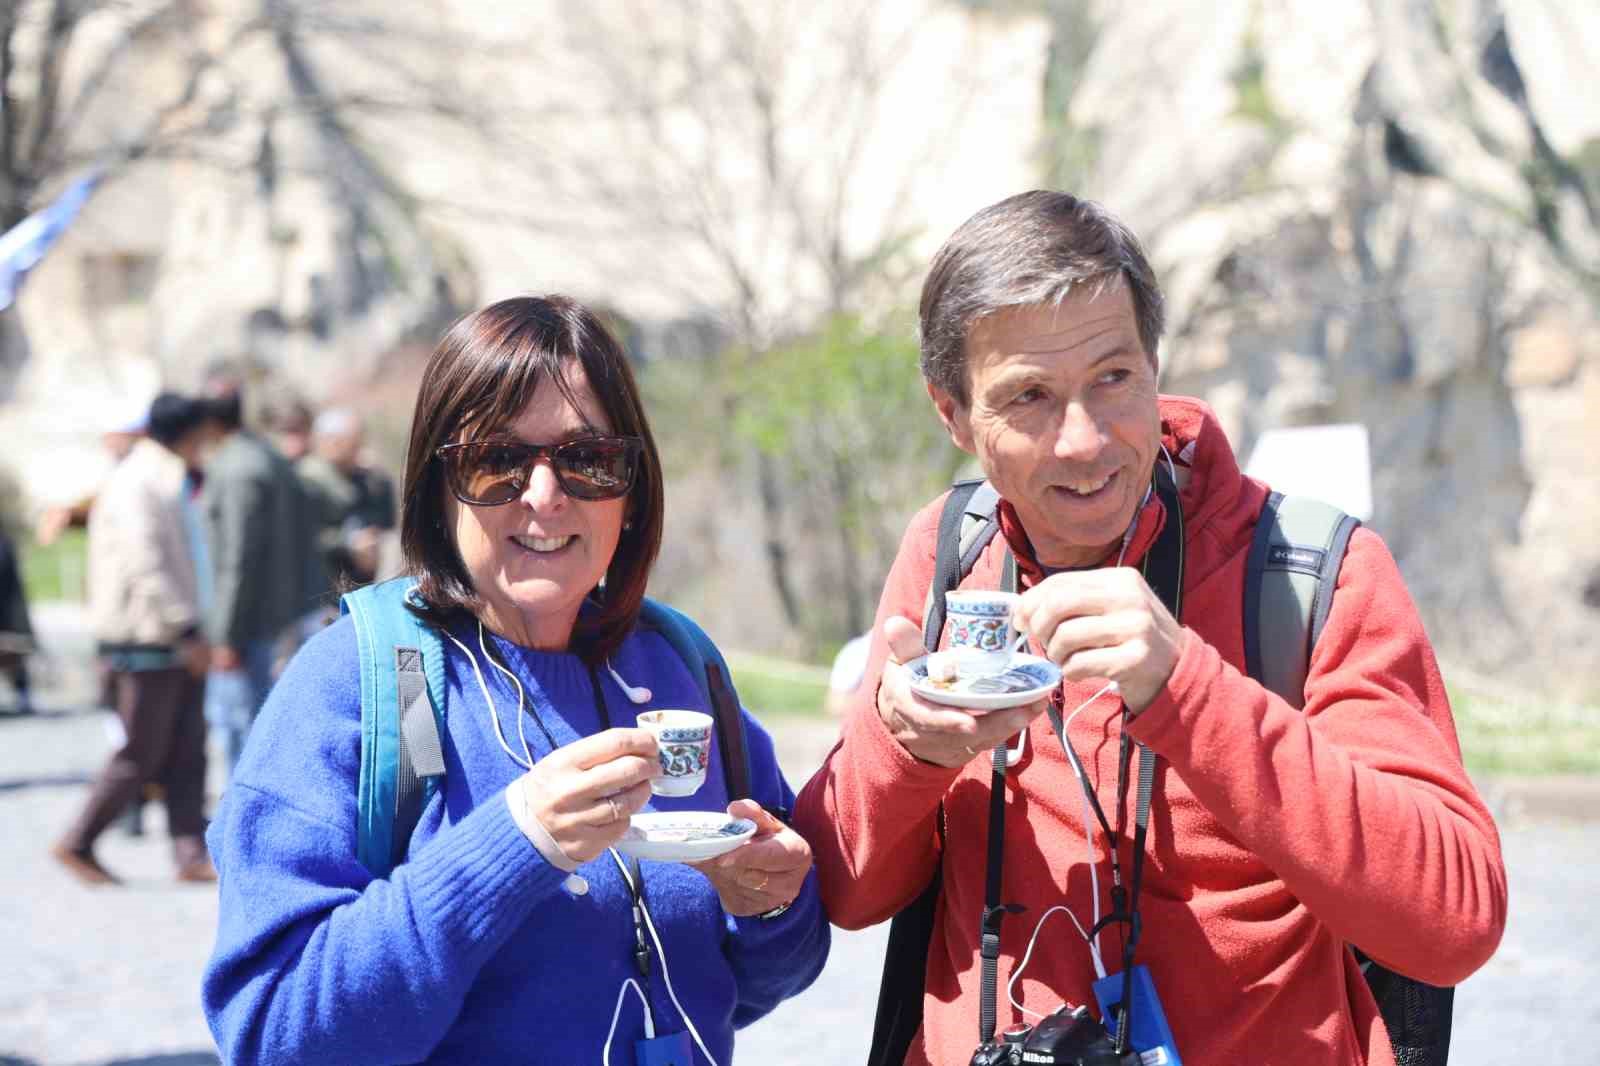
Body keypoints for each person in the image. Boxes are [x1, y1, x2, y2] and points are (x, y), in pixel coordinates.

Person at [792, 192, 1507, 1066]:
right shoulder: (949, 555)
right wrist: (904, 750)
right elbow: (847, 890)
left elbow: (1455, 921)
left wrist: (1188, 689)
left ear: (1155, 363)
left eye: (1113, 378)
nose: (1085, 440)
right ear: (954, 416)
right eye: (1029, 397)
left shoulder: (1310, 573)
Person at [202, 296, 829, 1064]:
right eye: (496, 462)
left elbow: (754, 979)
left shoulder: (678, 665)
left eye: (587, 459)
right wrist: (518, 842)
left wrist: (773, 907)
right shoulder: (364, 682)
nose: (543, 496)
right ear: (439, 486)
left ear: (632, 493)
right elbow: (274, 1033)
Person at [52, 393, 215, 884]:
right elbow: (147, 564)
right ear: (189, 436)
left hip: (174, 636)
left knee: (189, 747)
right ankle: (77, 841)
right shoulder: (140, 483)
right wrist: (184, 625)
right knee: (140, 753)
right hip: (149, 640)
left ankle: (189, 853)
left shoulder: (159, 477)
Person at [198, 371, 318, 779]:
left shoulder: (236, 469)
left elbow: (237, 559)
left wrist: (227, 636)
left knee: (240, 733)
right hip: (279, 617)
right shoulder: (265, 458)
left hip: (249, 627)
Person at [297, 406, 398, 604]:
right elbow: (304, 536)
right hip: (321, 588)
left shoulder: (366, 479)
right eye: (353, 443)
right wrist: (349, 544)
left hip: (363, 583)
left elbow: (384, 520)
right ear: (331, 441)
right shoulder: (308, 481)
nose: (358, 449)